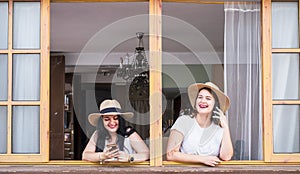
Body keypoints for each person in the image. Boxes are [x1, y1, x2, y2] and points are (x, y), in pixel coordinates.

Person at [166, 82, 233, 166]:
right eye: (200, 97)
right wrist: (203, 159)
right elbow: (171, 154)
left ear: (215, 104)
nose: (202, 101)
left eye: (208, 98)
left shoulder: (219, 129)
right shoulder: (184, 121)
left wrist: (225, 127)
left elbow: (226, 156)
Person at [82, 99, 149, 163]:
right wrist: (103, 156)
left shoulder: (129, 133)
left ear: (120, 120)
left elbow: (147, 154)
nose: (112, 122)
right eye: (107, 119)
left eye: (115, 118)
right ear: (101, 121)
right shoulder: (97, 134)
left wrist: (129, 158)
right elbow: (85, 156)